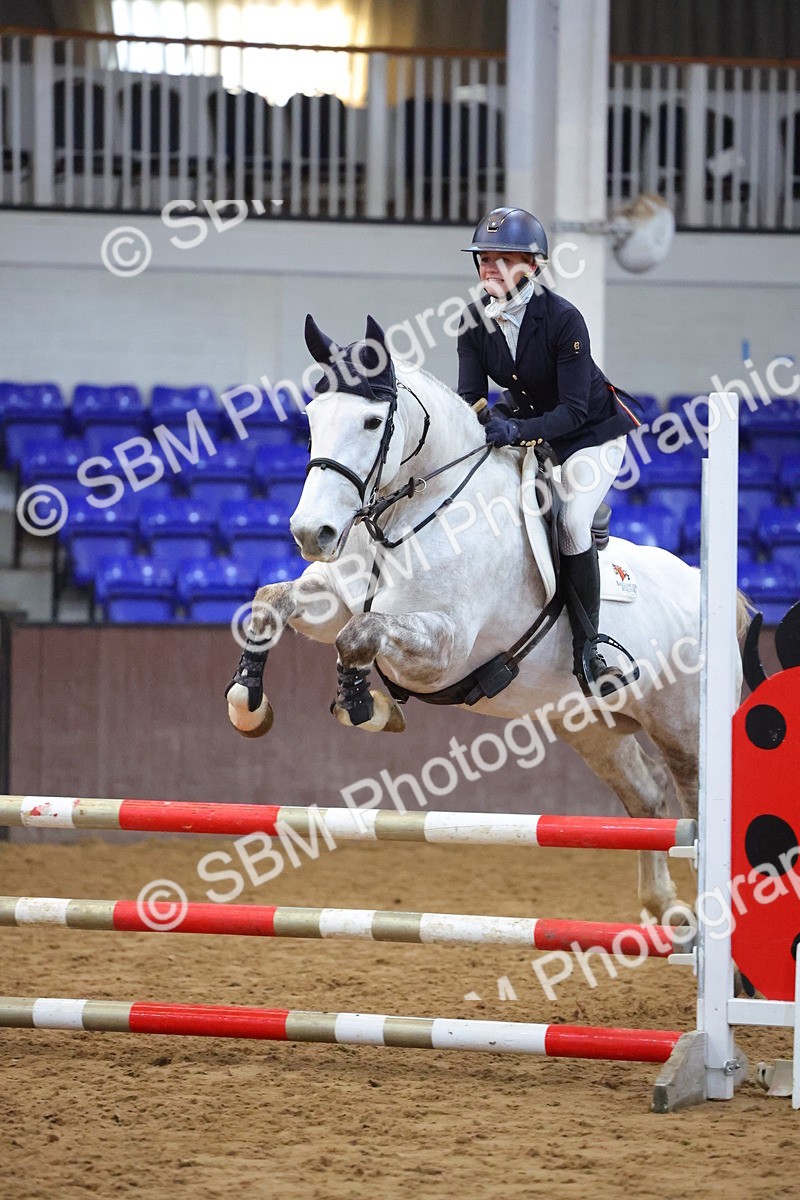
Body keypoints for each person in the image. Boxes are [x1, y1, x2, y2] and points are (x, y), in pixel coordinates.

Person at [457, 205, 642, 697]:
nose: (489, 268)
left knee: (571, 522)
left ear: (532, 265)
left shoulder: (563, 319)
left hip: (590, 435)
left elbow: (575, 412)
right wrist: (480, 422)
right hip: (532, 429)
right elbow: (469, 397)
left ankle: (590, 651)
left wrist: (515, 429)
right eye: (484, 259)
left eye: (502, 259)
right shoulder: (472, 321)